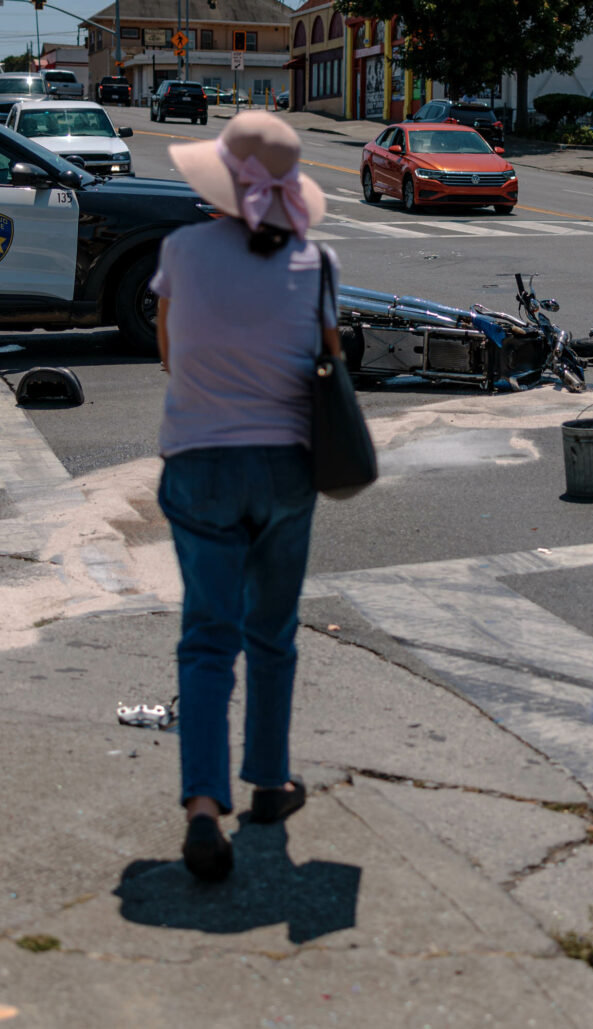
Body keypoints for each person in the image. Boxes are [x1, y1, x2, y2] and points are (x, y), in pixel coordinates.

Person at [152, 112, 337, 882]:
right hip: (287, 465)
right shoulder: (315, 260)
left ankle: (203, 803)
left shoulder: (180, 250)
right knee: (273, 631)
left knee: (207, 639)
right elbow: (327, 362)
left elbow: (169, 352)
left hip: (200, 460)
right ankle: (271, 781)